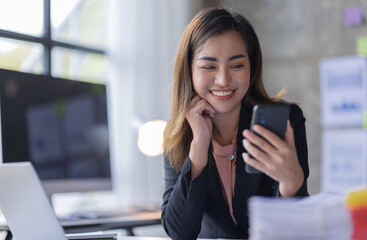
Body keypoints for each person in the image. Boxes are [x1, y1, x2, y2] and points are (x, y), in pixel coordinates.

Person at [161, 7, 309, 240]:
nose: (223, 80)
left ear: (252, 66)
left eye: (237, 65)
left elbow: (297, 230)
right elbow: (180, 233)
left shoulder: (285, 120)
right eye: (209, 66)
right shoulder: (179, 134)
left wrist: (292, 183)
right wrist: (199, 146)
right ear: (189, 70)